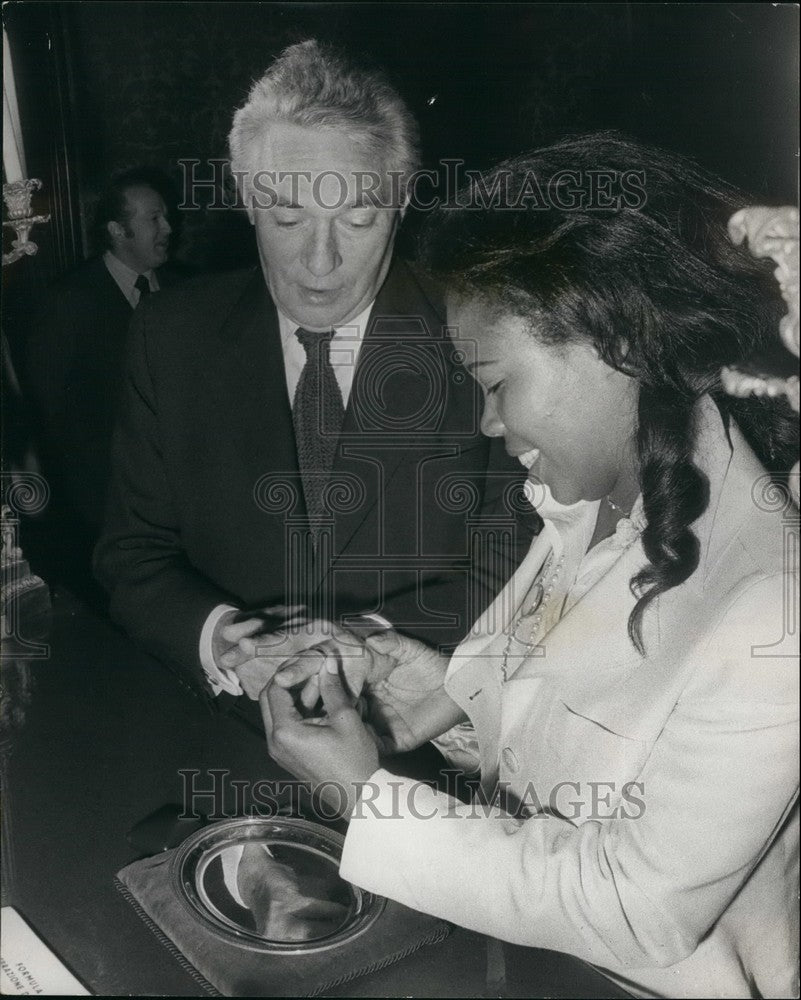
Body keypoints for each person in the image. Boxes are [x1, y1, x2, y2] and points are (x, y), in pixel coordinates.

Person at [259, 134, 800, 998]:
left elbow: (634, 908)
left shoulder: (774, 607)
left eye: (496, 383)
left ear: (615, 342)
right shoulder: (588, 510)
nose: (484, 421)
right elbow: (571, 746)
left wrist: (368, 796)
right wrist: (437, 699)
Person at [94, 40, 533, 712]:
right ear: (245, 198)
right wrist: (223, 639)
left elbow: (522, 556)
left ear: (401, 200)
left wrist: (360, 643)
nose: (319, 261)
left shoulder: (480, 332)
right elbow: (132, 553)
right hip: (223, 730)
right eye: (288, 218)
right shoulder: (168, 333)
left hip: (421, 738)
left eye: (357, 219)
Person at [25, 167, 186, 601]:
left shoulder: (186, 290)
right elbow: (46, 418)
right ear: (118, 230)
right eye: (154, 218)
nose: (168, 228)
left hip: (184, 507)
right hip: (101, 515)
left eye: (165, 217)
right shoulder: (68, 302)